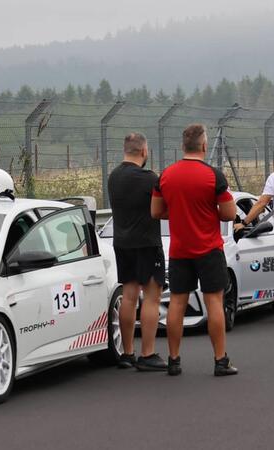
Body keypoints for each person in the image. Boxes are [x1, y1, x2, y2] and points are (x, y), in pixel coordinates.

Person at [151, 124, 238, 377]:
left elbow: (156, 212)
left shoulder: (165, 176)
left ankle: (174, 360)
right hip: (209, 249)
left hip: (180, 250)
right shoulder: (214, 176)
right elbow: (229, 214)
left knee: (177, 302)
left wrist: (178, 212)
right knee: (214, 302)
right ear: (203, 146)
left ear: (182, 147)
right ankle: (220, 360)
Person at [108, 133, 167, 371]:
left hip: (122, 242)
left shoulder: (113, 177)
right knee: (152, 297)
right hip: (147, 243)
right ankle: (148, 353)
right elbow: (162, 207)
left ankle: (127, 352)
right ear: (144, 152)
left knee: (129, 297)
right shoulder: (148, 178)